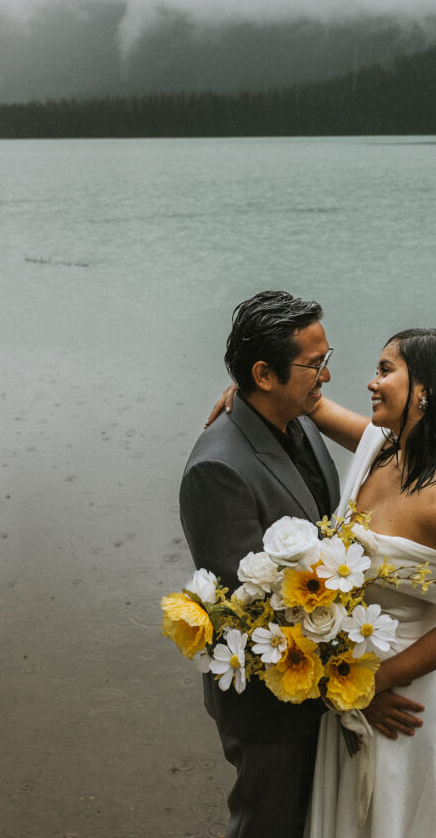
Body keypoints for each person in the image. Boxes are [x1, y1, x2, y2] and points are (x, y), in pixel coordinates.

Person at [304, 326, 436, 838]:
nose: (372, 382)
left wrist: (370, 685)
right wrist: (246, 395)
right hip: (349, 686)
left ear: (424, 391)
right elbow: (311, 407)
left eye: (385, 370)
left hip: (400, 704)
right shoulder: (383, 448)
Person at [179, 290, 342, 838]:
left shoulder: (298, 418)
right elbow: (254, 613)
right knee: (266, 825)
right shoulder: (218, 469)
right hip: (269, 700)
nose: (325, 377)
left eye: (327, 359)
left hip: (315, 686)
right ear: (264, 374)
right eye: (314, 365)